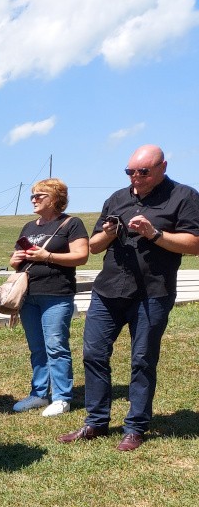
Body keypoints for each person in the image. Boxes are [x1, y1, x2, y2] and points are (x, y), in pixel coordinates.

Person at [60, 144, 199, 451]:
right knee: (94, 354)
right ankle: (95, 422)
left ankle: (135, 427)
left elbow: (194, 244)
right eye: (131, 172)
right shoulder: (117, 199)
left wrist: (155, 234)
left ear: (162, 167)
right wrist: (109, 233)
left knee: (142, 360)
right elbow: (94, 245)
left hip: (152, 293)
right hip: (108, 290)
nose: (136, 177)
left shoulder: (184, 196)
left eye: (143, 172)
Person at [7, 179, 90, 418]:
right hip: (28, 295)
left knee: (56, 346)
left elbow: (81, 256)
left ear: (55, 198)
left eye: (40, 195)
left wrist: (48, 256)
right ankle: (39, 393)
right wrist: (15, 260)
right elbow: (17, 259)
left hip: (56, 294)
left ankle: (62, 397)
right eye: (32, 195)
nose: (34, 199)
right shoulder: (28, 227)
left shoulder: (71, 224)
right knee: (37, 347)